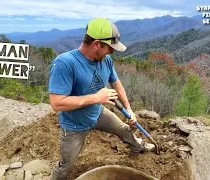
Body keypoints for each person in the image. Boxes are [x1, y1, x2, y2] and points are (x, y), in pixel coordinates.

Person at [48, 18, 155, 180]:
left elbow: (117, 85)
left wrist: (129, 109)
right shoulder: (65, 63)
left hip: (98, 114)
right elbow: (57, 103)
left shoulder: (106, 60)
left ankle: (138, 146)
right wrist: (96, 97)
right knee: (66, 165)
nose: (112, 52)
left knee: (125, 130)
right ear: (96, 44)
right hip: (74, 125)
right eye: (110, 48)